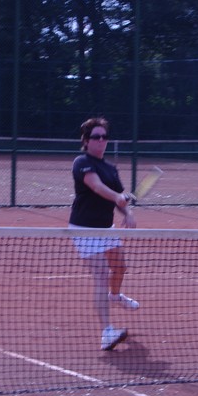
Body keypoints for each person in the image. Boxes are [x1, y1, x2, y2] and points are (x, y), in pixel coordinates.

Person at [69, 117, 138, 351]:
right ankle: (107, 332)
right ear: (86, 141)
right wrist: (118, 197)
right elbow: (97, 187)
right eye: (96, 137)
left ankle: (115, 296)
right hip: (84, 229)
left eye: (104, 137)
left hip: (106, 228)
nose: (101, 141)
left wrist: (127, 212)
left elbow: (119, 198)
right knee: (101, 274)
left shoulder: (111, 168)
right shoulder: (82, 162)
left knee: (120, 268)